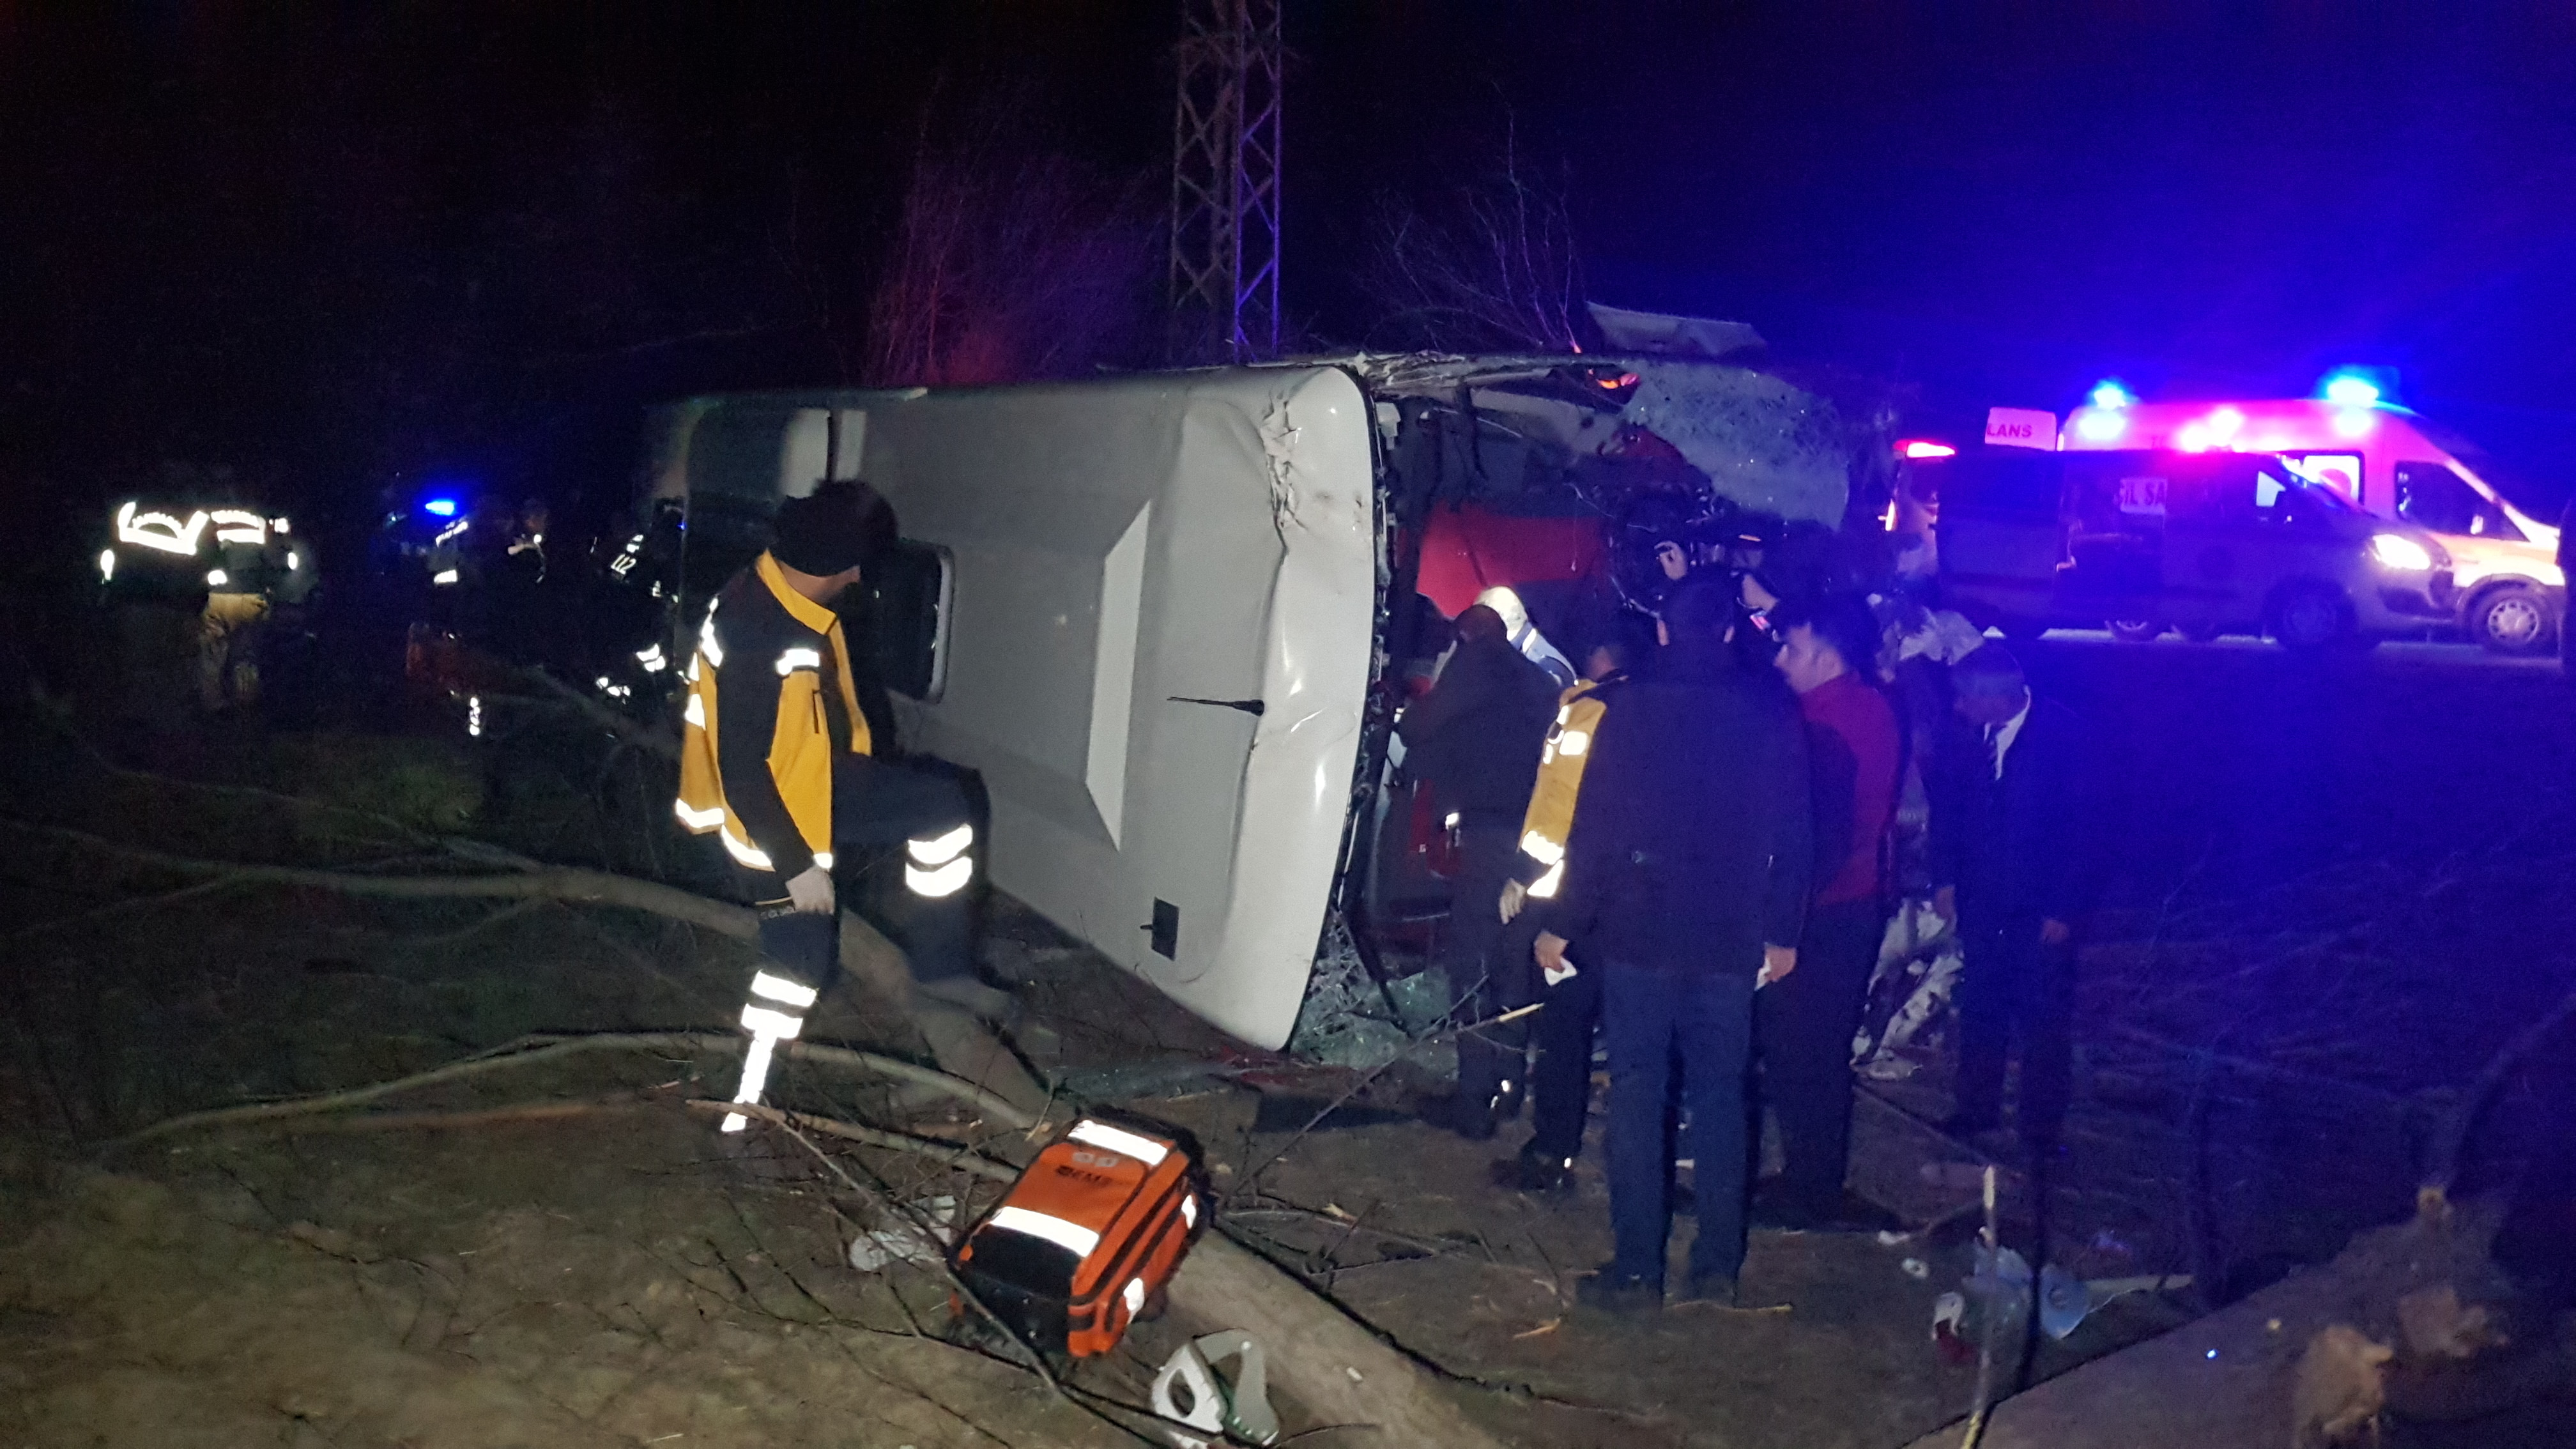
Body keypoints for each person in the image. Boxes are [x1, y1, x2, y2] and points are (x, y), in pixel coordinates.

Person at [674, 481, 988, 1134]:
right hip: (769, 824)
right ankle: (742, 1108)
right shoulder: (759, 635)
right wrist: (795, 866)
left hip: (820, 781)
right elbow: (743, 772)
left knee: (942, 809)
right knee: (795, 971)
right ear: (845, 567)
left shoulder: (774, 588)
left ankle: (942, 968)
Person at [1538, 577, 1813, 1314]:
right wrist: (1783, 932)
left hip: (1640, 930)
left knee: (1638, 1098)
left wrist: (1563, 920)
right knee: (1722, 1099)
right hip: (1726, 933)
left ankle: (1637, 1271)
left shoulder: (1626, 708)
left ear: (1661, 631)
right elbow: (1796, 832)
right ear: (1728, 632)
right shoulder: (1771, 710)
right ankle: (1716, 1267)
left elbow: (1593, 829)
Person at [1754, 593, 1903, 1229]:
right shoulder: (1863, 707)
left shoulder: (1830, 721)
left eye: (1792, 646)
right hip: (1846, 904)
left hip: (1824, 909)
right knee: (1809, 1051)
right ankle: (1808, 1179)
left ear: (1827, 649)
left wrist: (1780, 916)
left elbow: (1818, 836)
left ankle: (1810, 1189)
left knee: (1803, 1052)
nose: (1782, 659)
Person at [1493, 616, 1653, 1192]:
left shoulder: (1586, 712)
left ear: (1597, 659)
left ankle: (1553, 1151)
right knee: (1642, 1041)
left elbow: (1561, 808)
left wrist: (1524, 875)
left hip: (1578, 901)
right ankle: (1637, 1170)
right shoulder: (1666, 710)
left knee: (1566, 1031)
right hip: (1649, 904)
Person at [1399, 602, 1559, 1138]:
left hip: (1491, 838)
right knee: (1515, 961)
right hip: (1536, 843)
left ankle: (1472, 1102)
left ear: (1465, 637)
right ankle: (1509, 1088)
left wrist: (1406, 712)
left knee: (1471, 962)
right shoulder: (1538, 680)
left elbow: (1422, 727)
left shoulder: (1477, 664)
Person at [1928, 643, 2096, 1154]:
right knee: (1982, 1008)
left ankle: (2041, 1131)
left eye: (1964, 699)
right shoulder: (1967, 737)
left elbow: (2084, 833)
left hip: (2038, 906)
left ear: (1995, 696)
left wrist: (2065, 909)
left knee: (2043, 1022)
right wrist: (1946, 878)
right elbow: (1950, 811)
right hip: (1983, 899)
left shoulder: (2066, 738)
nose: (1957, 708)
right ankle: (1975, 1110)